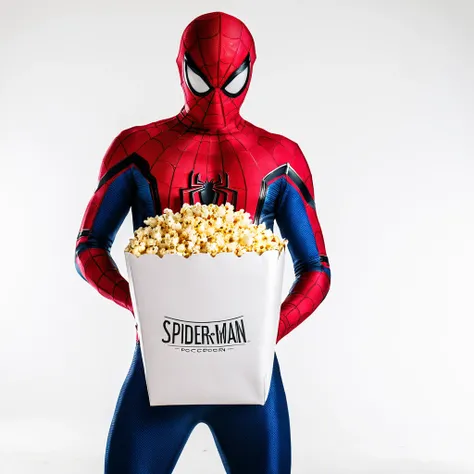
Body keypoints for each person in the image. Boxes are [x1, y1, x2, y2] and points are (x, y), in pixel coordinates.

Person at [75, 11, 331, 474]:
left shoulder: (279, 156)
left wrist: (266, 329)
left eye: (230, 83)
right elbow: (89, 247)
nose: (215, 100)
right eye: (200, 80)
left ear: (250, 71)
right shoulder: (138, 147)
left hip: (250, 378)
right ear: (180, 68)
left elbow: (316, 269)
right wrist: (142, 305)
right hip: (160, 369)